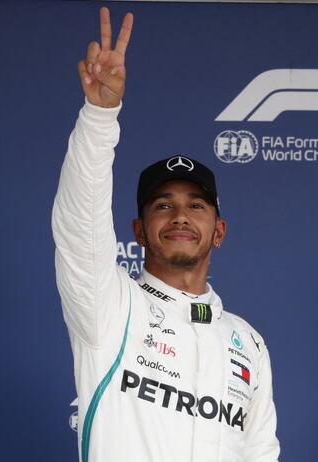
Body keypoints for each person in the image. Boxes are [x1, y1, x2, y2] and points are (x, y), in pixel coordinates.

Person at [52, 7, 280, 462]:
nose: (179, 216)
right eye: (162, 205)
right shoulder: (110, 307)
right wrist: (100, 117)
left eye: (196, 205)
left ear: (218, 231)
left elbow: (260, 454)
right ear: (138, 231)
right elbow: (80, 222)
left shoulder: (248, 342)